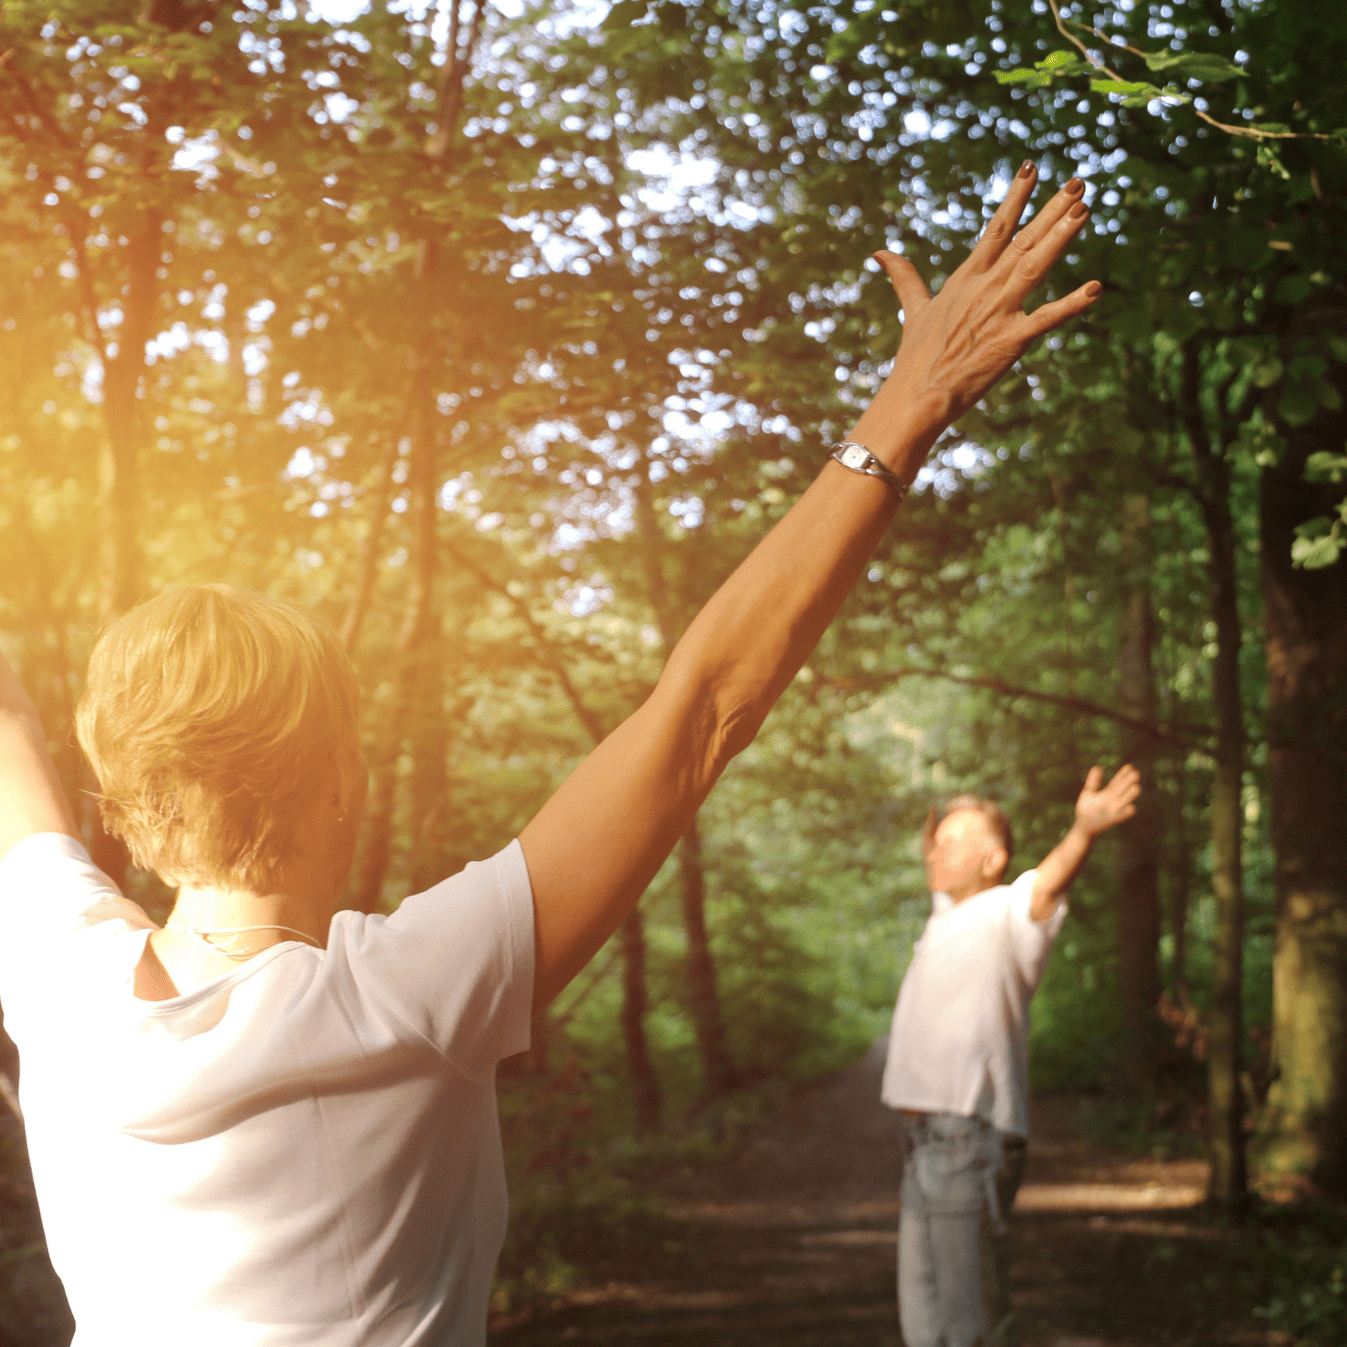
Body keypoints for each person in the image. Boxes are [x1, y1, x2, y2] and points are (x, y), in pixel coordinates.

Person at [0, 162, 1101, 1345]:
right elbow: (703, 709)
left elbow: (12, 729)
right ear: (342, 786)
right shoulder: (411, 995)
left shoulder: (56, 983)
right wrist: (910, 400)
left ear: (122, 801)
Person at [881, 767, 1143, 1347]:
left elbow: (1047, 881)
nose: (933, 854)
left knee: (969, 1323)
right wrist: (943, 814)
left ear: (993, 860)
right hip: (923, 1142)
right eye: (935, 843)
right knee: (922, 1324)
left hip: (969, 1141)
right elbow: (934, 845)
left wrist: (1084, 830)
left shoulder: (1009, 914)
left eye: (951, 845)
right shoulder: (943, 918)